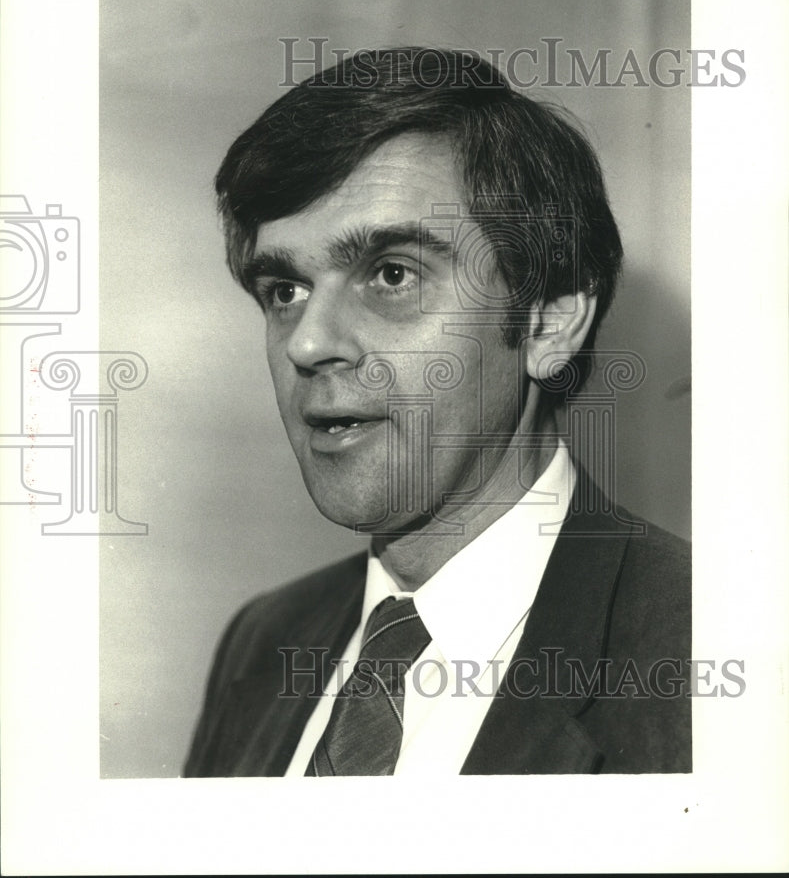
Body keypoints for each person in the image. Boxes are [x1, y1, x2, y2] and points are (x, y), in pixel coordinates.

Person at [184, 47, 691, 777]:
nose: (309, 341)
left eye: (391, 274)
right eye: (284, 290)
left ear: (549, 323)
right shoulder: (263, 641)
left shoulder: (709, 651)